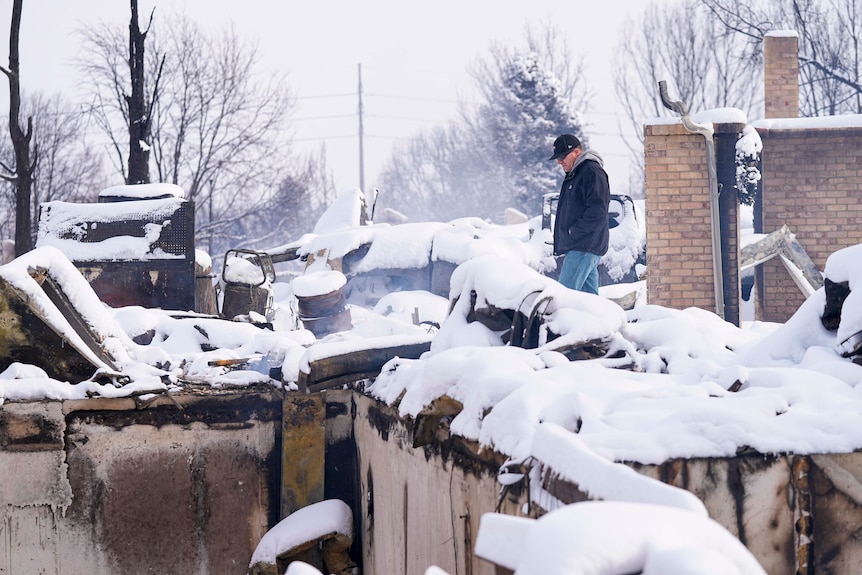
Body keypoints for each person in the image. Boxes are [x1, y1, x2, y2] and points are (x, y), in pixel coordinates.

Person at [547, 134, 610, 295]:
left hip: (583, 245)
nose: (559, 162)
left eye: (562, 156)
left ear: (576, 152)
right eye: (557, 158)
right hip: (582, 245)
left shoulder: (591, 172)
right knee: (588, 301)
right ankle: (602, 320)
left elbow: (598, 211)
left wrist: (574, 232)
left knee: (564, 297)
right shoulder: (576, 174)